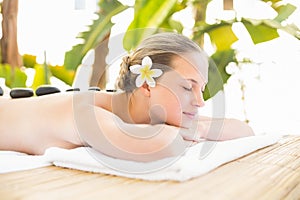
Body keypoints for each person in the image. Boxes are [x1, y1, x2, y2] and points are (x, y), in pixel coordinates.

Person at [0, 32, 254, 162]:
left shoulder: (136, 112)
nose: (200, 101)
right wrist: (195, 129)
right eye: (188, 88)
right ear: (147, 87)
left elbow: (243, 130)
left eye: (201, 88)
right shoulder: (83, 114)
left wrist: (195, 127)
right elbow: (167, 145)